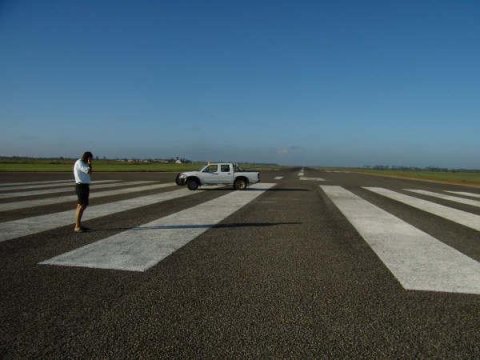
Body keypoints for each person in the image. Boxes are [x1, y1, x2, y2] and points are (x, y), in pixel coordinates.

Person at [73, 151, 93, 232]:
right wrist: (89, 163)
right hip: (81, 186)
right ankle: (77, 226)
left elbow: (90, 172)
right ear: (87, 157)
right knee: (81, 206)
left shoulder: (84, 163)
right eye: (91, 158)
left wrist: (89, 164)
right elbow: (88, 171)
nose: (91, 160)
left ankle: (78, 225)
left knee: (81, 206)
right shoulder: (80, 162)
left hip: (84, 186)